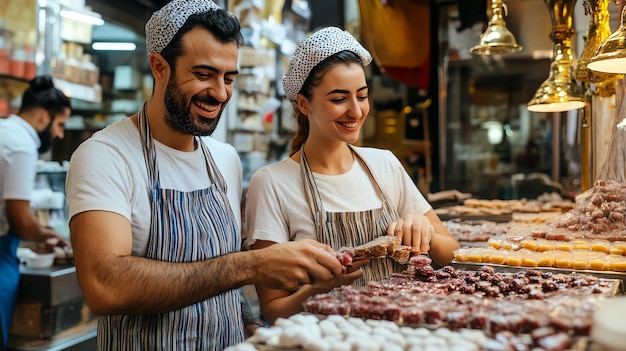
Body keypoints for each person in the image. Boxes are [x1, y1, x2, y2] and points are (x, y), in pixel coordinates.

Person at [65, 1, 342, 350]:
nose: (221, 93)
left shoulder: (224, 159)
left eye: (229, 78)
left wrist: (251, 326)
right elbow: (106, 286)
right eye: (203, 74)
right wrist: (252, 266)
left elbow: (218, 285)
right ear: (159, 66)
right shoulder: (106, 156)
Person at [245, 27, 461, 324]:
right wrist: (320, 287)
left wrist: (424, 228)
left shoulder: (384, 164)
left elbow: (453, 255)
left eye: (362, 96)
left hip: (402, 337)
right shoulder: (271, 183)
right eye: (338, 99)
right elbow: (274, 309)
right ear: (304, 103)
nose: (356, 111)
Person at [0, 75, 71, 349]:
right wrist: (52, 236)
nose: (59, 134)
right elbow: (19, 220)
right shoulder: (22, 146)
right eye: (60, 124)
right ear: (44, 116)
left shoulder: (5, 130)